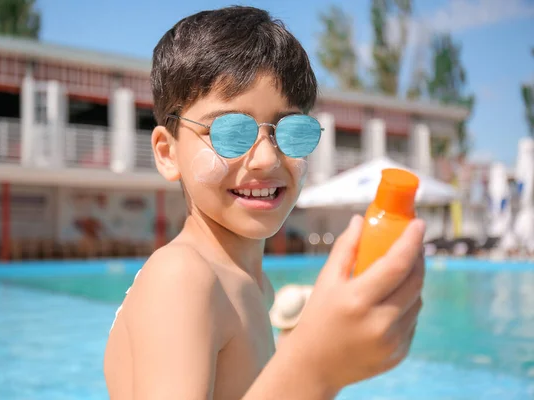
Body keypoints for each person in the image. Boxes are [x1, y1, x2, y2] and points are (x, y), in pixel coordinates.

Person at [104, 6, 425, 399]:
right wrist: (317, 365)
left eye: (291, 131)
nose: (268, 158)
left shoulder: (252, 286)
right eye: (231, 131)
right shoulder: (182, 277)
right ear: (168, 153)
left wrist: (306, 339)